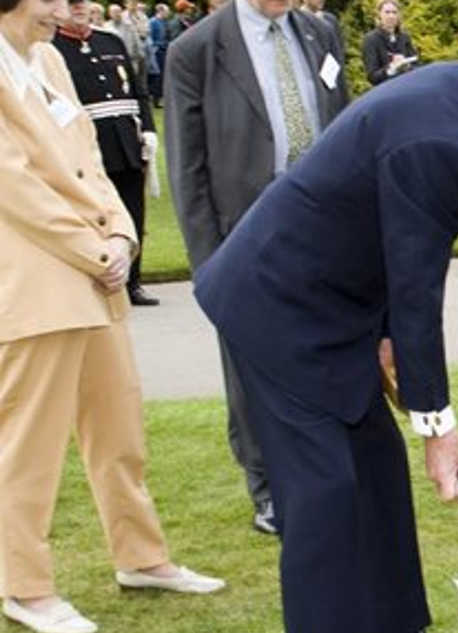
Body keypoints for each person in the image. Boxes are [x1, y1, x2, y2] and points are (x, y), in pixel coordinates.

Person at [192, 34, 458, 633]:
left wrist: (388, 340)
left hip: (337, 310)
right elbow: (419, 287)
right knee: (326, 496)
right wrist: (438, 427)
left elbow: (398, 243)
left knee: (379, 474)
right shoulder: (445, 137)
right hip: (278, 307)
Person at [1, 0, 228, 630]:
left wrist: (123, 236)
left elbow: (92, 159)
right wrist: (90, 247)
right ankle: (25, 586)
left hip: (94, 270)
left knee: (119, 428)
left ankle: (142, 557)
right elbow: (12, 185)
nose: (65, 6)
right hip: (33, 279)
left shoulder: (47, 59)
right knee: (29, 445)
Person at [163, 0, 350, 535]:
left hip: (324, 226)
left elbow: (344, 125)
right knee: (252, 369)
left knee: (327, 351)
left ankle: (328, 472)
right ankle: (268, 487)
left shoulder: (319, 33)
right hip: (246, 237)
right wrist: (209, 265)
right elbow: (187, 169)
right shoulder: (195, 50)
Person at [54, 0, 159, 306]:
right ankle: (100, 279)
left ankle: (133, 282)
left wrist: (149, 129)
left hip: (126, 142)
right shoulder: (53, 48)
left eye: (82, 3)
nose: (78, 8)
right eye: (71, 4)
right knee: (95, 217)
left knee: (132, 214)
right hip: (88, 148)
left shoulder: (109, 41)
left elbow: (137, 89)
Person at [362, 0, 415, 85]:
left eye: (394, 12)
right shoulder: (371, 39)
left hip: (407, 88)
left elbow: (416, 65)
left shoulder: (405, 37)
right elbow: (372, 77)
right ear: (379, 15)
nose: (391, 16)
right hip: (386, 90)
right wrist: (391, 68)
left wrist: (407, 65)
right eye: (387, 12)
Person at [146, 2, 167, 104]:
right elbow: (151, 37)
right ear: (160, 11)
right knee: (156, 75)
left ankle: (158, 97)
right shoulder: (153, 22)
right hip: (156, 51)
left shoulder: (163, 22)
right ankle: (155, 98)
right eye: (166, 12)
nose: (167, 14)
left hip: (163, 50)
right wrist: (156, 47)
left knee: (162, 75)